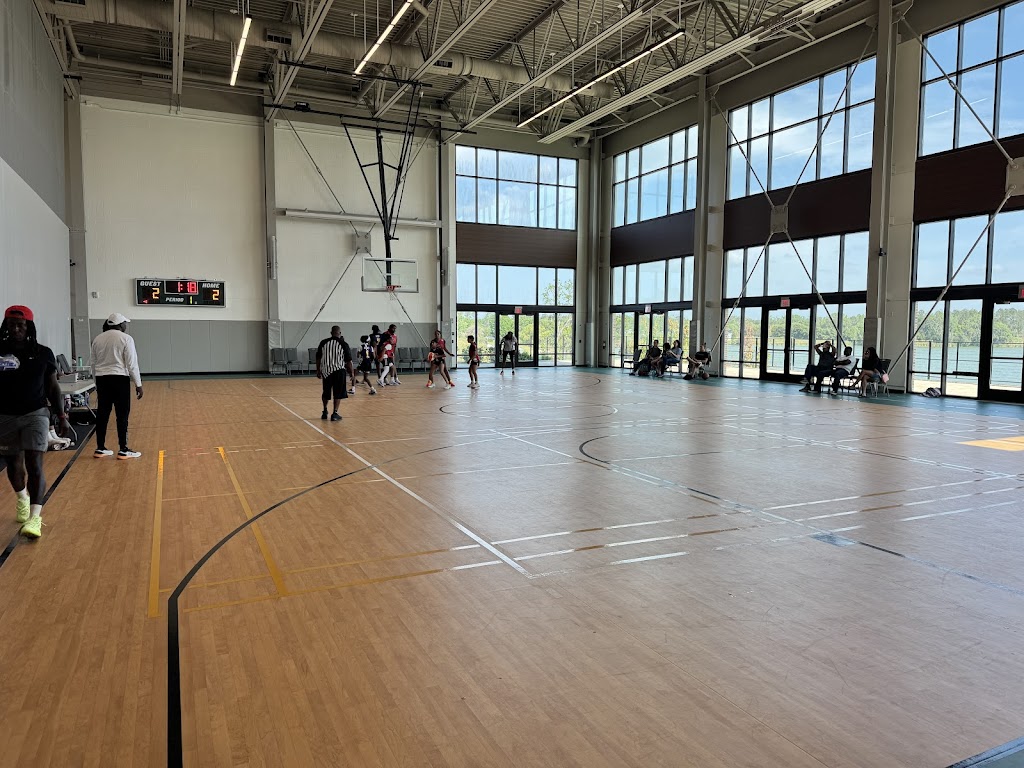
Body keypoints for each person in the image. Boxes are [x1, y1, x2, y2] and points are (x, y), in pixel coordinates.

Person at [0, 305, 71, 539]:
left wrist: (61, 416)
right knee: (13, 465)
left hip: (36, 414)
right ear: (6, 326)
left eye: (21, 325)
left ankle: (35, 518)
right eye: (12, 325)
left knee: (35, 464)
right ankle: (22, 498)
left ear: (29, 327)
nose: (16, 329)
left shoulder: (43, 353)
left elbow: (52, 387)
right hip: (5, 416)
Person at [91, 312, 143, 459]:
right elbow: (132, 363)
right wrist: (138, 384)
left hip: (102, 379)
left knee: (102, 414)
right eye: (125, 323)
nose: (126, 325)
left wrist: (96, 383)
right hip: (120, 379)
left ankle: (100, 448)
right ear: (120, 324)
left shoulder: (98, 339)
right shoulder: (126, 338)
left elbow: (93, 364)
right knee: (122, 415)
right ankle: (123, 449)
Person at [316, 326, 351, 421]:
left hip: (326, 371)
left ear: (331, 333)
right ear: (340, 333)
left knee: (326, 392)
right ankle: (335, 413)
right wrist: (351, 373)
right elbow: (348, 361)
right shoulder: (343, 344)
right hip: (339, 371)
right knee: (338, 392)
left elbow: (318, 357)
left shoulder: (323, 342)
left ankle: (324, 411)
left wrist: (318, 370)